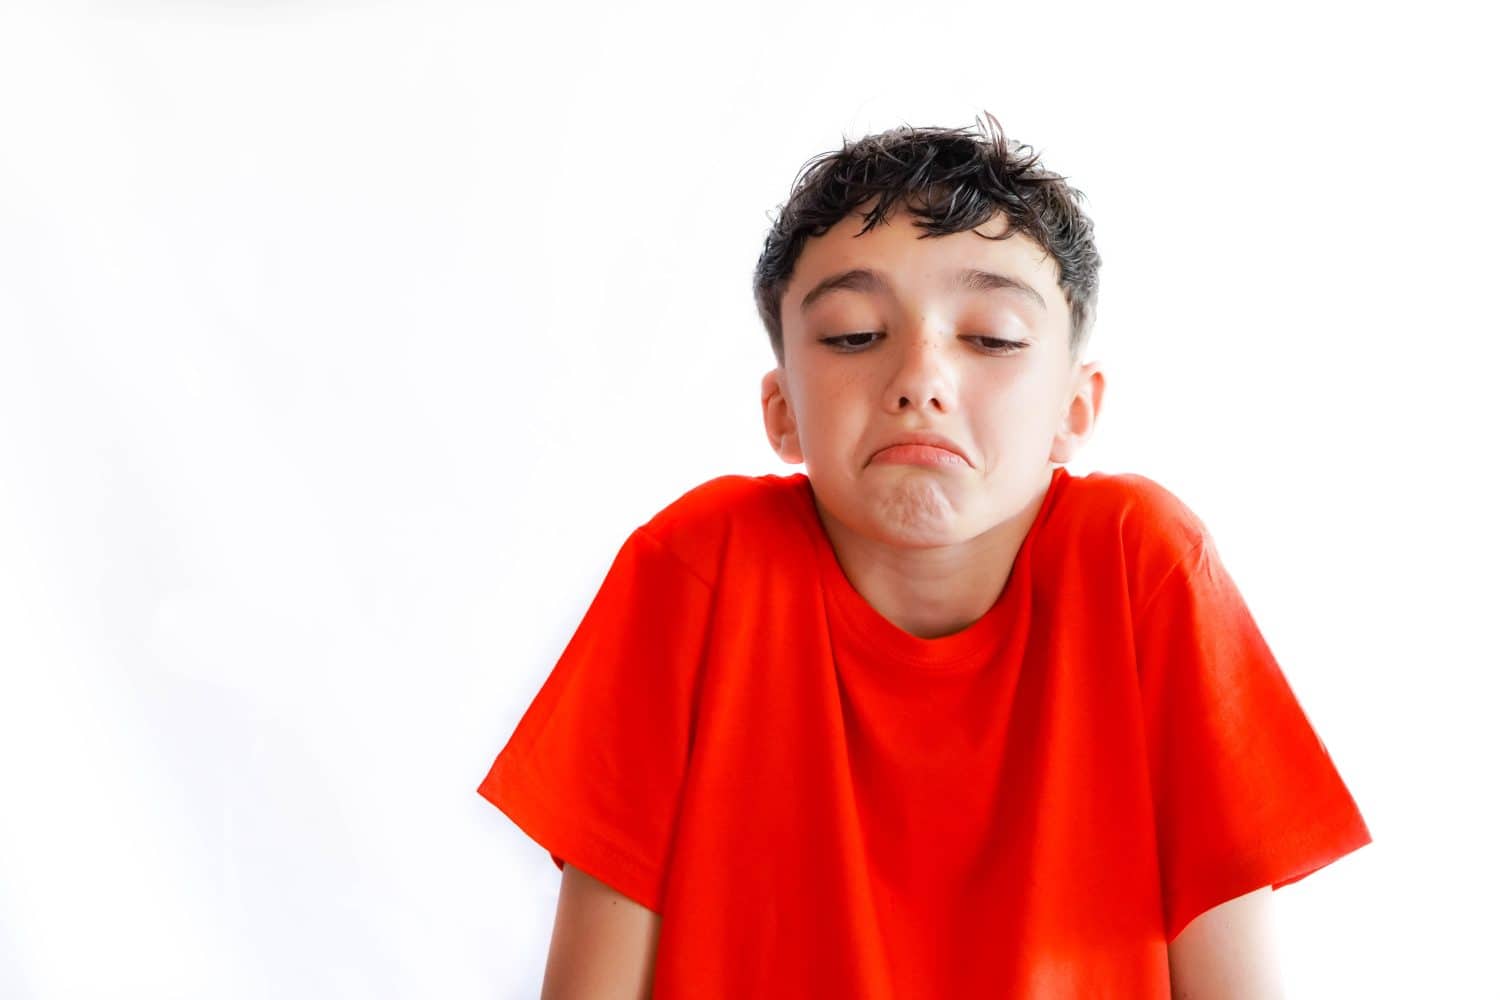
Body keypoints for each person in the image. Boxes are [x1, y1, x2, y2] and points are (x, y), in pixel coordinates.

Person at [476, 112, 1373, 998]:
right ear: (781, 407)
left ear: (1076, 409)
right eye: (854, 336)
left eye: (991, 337)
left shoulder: (1142, 562)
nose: (920, 381)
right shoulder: (695, 569)